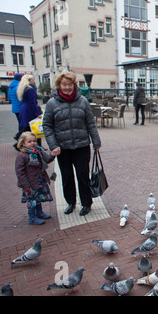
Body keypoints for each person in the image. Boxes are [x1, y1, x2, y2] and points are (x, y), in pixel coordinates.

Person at [43, 72, 101, 216]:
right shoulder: (52, 103)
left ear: (74, 85)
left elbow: (90, 123)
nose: (67, 87)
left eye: (70, 84)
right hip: (63, 148)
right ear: (59, 85)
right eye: (64, 84)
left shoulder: (82, 101)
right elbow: (47, 125)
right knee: (67, 176)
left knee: (83, 176)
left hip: (81, 146)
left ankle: (86, 203)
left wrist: (96, 141)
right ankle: (71, 202)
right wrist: (53, 145)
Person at [15, 132, 56, 225]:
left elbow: (47, 159)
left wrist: (53, 155)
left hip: (39, 179)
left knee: (38, 197)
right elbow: (20, 172)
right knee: (31, 199)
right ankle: (32, 217)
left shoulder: (38, 151)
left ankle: (39, 212)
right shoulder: (22, 156)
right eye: (29, 141)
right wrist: (25, 185)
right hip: (29, 183)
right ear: (23, 143)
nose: (32, 143)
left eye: (34, 141)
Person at [17, 75, 42, 147]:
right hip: (29, 111)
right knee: (34, 128)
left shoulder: (23, 88)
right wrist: (37, 113)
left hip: (24, 110)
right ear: (29, 80)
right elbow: (33, 102)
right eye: (32, 79)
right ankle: (37, 145)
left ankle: (23, 143)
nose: (34, 81)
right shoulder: (31, 89)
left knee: (25, 128)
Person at [9, 73, 23, 140]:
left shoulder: (10, 87)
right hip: (20, 108)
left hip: (15, 108)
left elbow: (9, 99)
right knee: (23, 124)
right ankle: (19, 136)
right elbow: (21, 98)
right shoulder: (18, 86)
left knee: (20, 123)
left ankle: (20, 136)